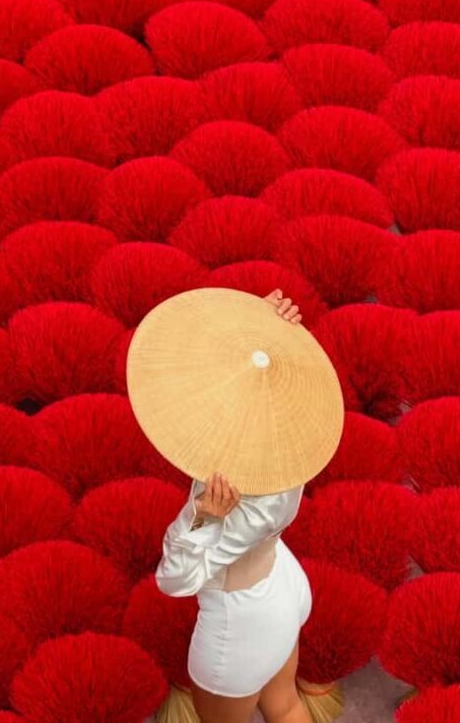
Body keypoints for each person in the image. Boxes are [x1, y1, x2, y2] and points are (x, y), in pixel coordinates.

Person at [155, 289, 313, 723]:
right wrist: (263, 334)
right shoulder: (288, 432)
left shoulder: (233, 493)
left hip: (240, 625)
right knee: (284, 707)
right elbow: (262, 374)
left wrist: (203, 517)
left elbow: (174, 580)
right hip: (282, 586)